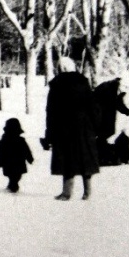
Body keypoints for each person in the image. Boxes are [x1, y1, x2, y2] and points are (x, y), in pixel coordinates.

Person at [42, 57, 100, 201]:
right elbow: (93, 106)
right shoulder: (83, 82)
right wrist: (96, 127)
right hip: (84, 127)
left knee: (67, 159)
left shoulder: (56, 85)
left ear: (60, 68)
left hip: (64, 128)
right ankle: (87, 192)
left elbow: (51, 111)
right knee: (84, 158)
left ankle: (66, 192)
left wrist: (49, 134)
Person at [0, 118, 34, 193]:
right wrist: (30, 159)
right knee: (16, 176)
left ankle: (12, 185)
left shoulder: (3, 141)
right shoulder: (20, 141)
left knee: (12, 176)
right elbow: (27, 151)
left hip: (8, 164)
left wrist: (0, 162)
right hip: (18, 163)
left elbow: (0, 153)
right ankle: (13, 185)